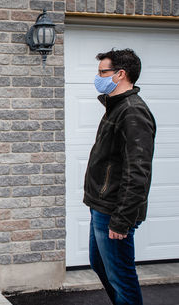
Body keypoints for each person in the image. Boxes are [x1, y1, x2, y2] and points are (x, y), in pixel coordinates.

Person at [84, 49, 156, 305]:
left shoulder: (132, 112)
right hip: (102, 206)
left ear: (121, 74)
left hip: (114, 210)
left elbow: (137, 172)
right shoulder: (116, 108)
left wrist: (121, 220)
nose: (97, 77)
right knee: (100, 264)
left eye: (102, 72)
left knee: (121, 276)